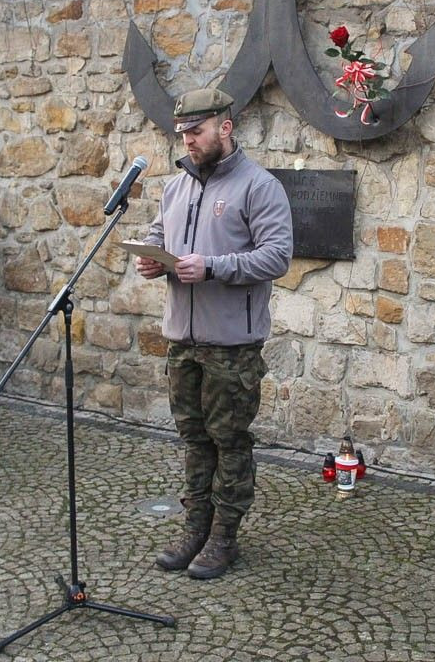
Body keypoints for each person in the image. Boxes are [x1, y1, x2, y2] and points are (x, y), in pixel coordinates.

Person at [134, 87, 293, 579]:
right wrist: (151, 258)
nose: (188, 141)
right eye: (182, 133)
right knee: (194, 439)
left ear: (225, 128)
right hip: (182, 341)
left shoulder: (259, 186)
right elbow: (161, 234)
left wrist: (213, 267)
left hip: (231, 346)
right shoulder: (175, 186)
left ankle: (224, 536)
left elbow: (276, 257)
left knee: (229, 441)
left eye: (196, 131)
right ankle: (195, 528)